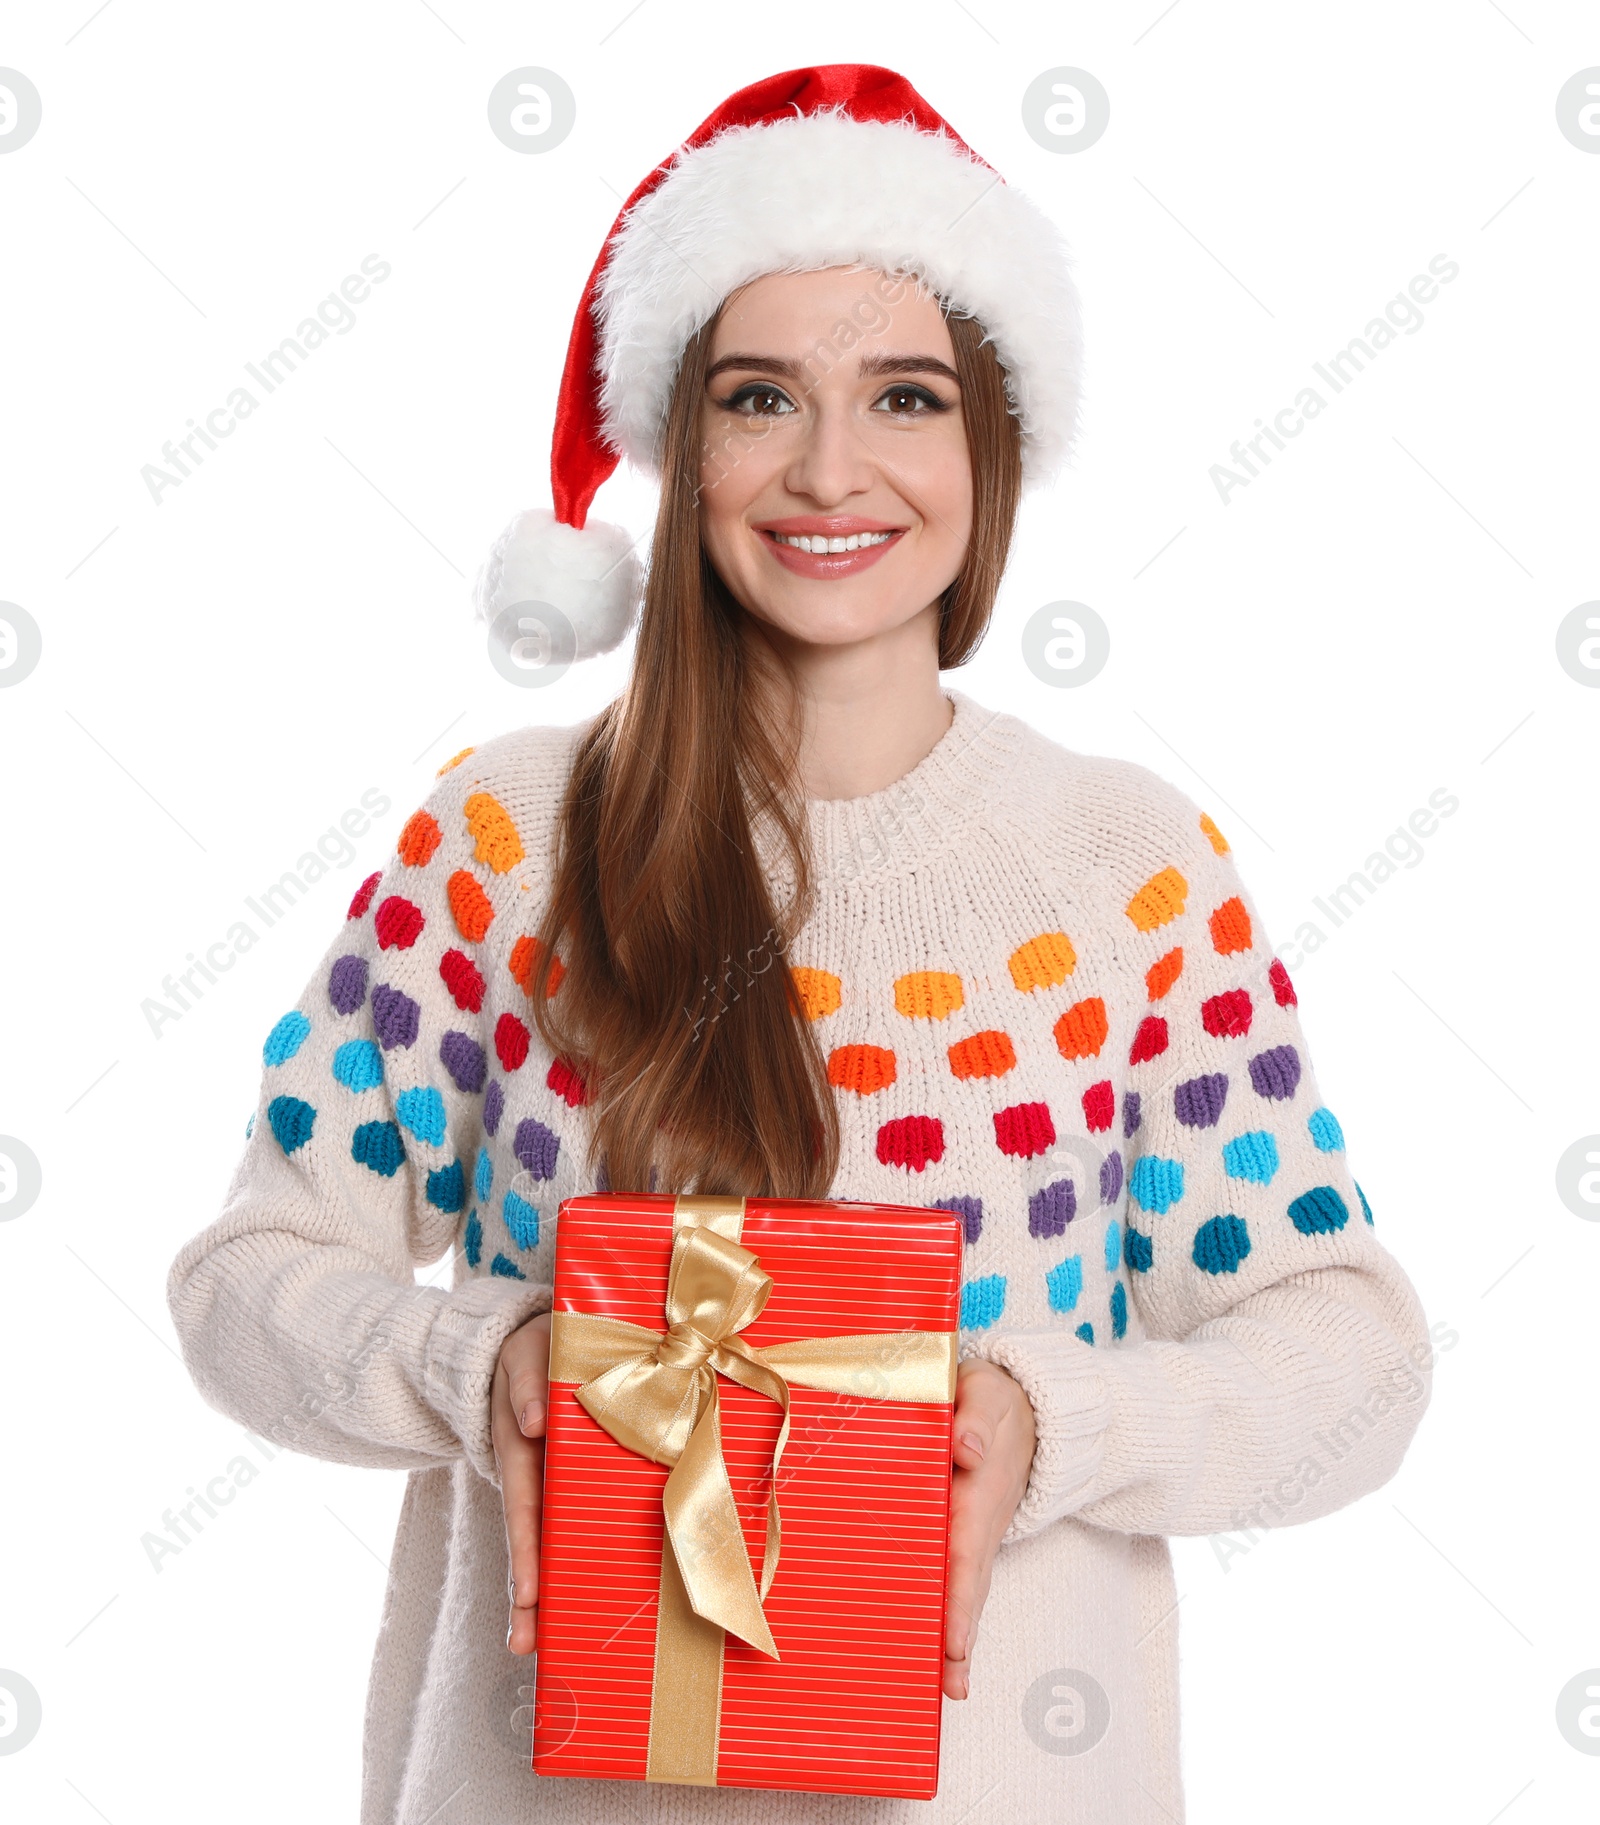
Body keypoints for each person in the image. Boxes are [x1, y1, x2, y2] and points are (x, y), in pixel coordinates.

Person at [167, 63, 1435, 1825]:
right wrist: (478, 1363)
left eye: (902, 396)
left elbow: (1350, 1355)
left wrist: (1046, 1421)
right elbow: (243, 1284)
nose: (830, 468)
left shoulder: (1124, 870)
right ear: (685, 454)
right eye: (761, 398)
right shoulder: (507, 841)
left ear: (987, 448)